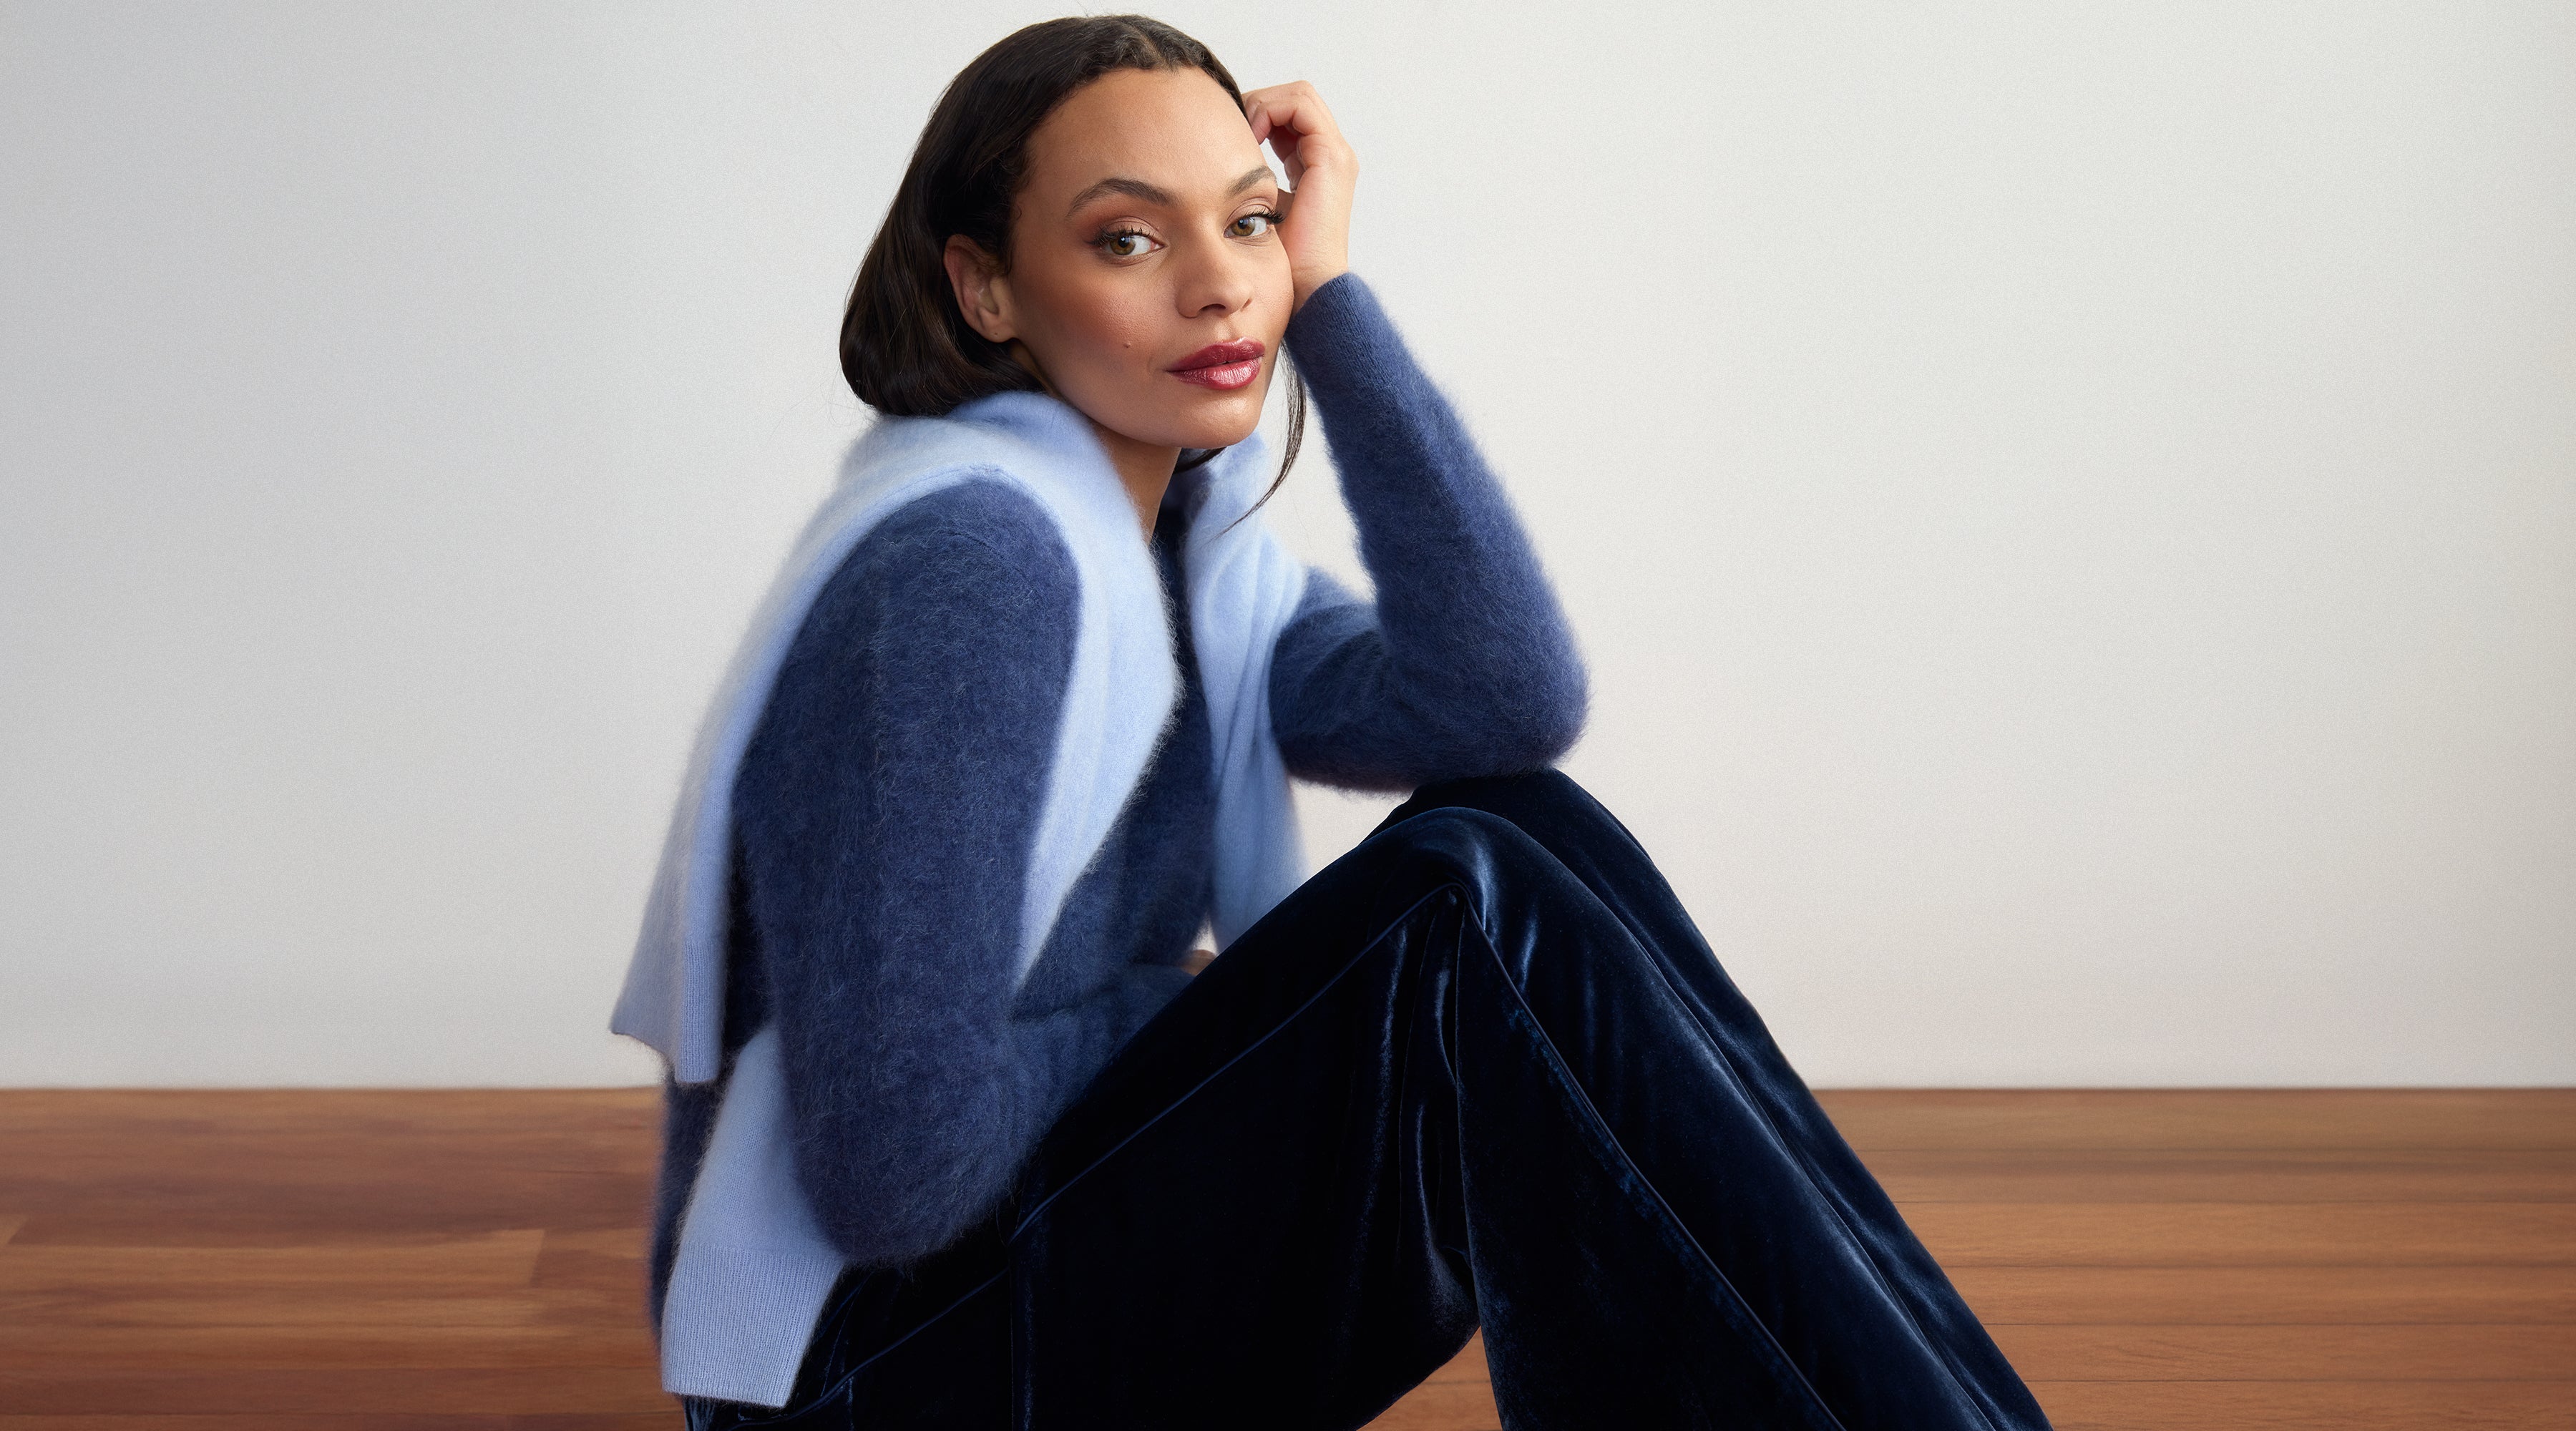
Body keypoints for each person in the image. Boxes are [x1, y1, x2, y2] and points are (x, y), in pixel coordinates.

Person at [612, 14, 2053, 1430]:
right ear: (985, 289)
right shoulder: (975, 574)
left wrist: (1339, 300)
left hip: (995, 1288)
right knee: (1456, 903)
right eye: (1129, 238)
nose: (1221, 288)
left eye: (1246, 225)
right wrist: (1187, 1008)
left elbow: (1500, 705)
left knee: (1515, 833)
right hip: (871, 1374)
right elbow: (894, 1170)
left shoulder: (1181, 562)